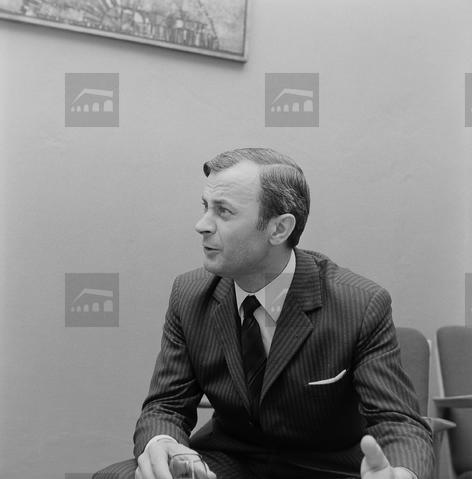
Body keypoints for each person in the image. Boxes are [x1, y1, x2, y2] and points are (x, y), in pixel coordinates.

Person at [132, 148, 433, 479]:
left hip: (326, 468)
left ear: (279, 229)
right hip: (229, 462)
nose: (201, 225)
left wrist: (402, 473)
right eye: (206, 207)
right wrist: (161, 444)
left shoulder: (360, 305)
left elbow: (397, 421)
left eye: (224, 211)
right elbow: (166, 405)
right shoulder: (189, 295)